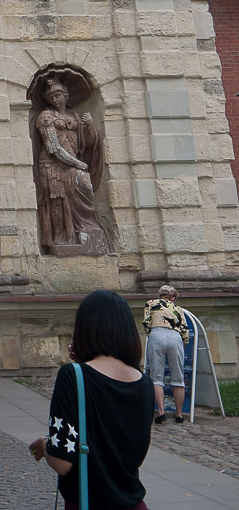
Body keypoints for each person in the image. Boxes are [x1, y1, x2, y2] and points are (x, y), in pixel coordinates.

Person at [29, 289, 154, 510]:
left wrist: (45, 443)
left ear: (85, 329)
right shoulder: (145, 383)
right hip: (134, 503)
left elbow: (62, 463)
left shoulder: (72, 376)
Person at [31, 73, 110, 255]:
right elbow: (53, 147)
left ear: (66, 95)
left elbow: (87, 144)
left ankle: (84, 229)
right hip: (52, 166)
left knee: (85, 185)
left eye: (58, 95)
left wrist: (90, 126)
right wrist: (76, 163)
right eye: (51, 97)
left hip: (72, 163)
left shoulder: (74, 115)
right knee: (57, 202)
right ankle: (61, 240)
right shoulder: (45, 117)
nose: (55, 99)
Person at [143, 283, 189, 424]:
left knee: (157, 377)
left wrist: (151, 335)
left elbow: (146, 323)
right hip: (175, 337)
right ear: (173, 298)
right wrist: (184, 342)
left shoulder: (151, 304)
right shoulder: (178, 309)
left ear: (160, 296)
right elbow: (184, 330)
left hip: (157, 334)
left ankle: (161, 412)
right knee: (178, 377)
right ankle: (179, 414)